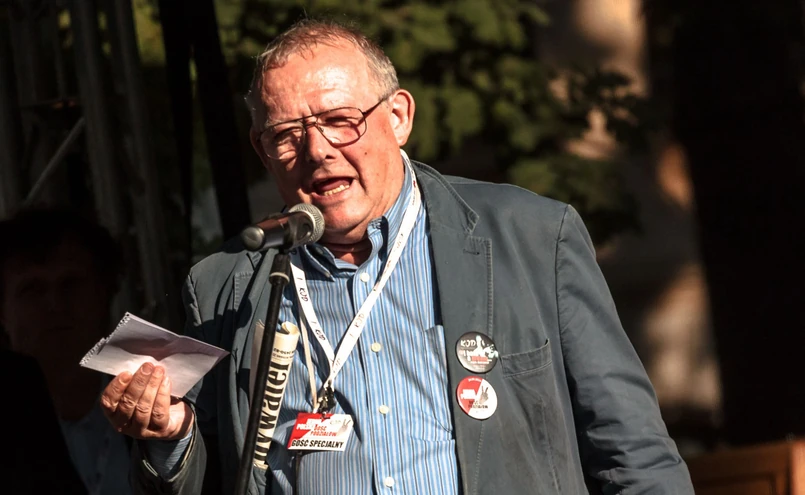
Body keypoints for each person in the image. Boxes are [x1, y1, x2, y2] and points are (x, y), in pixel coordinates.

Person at [101, 18, 694, 494]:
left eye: (340, 121)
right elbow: (215, 477)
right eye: (286, 135)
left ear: (399, 117)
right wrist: (172, 435)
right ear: (262, 151)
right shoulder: (227, 285)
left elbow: (632, 453)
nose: (317, 150)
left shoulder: (531, 237)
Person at [0, 208, 131, 495]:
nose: (56, 304)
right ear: (2, 314)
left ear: (105, 295)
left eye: (72, 285)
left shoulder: (159, 398)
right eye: (32, 290)